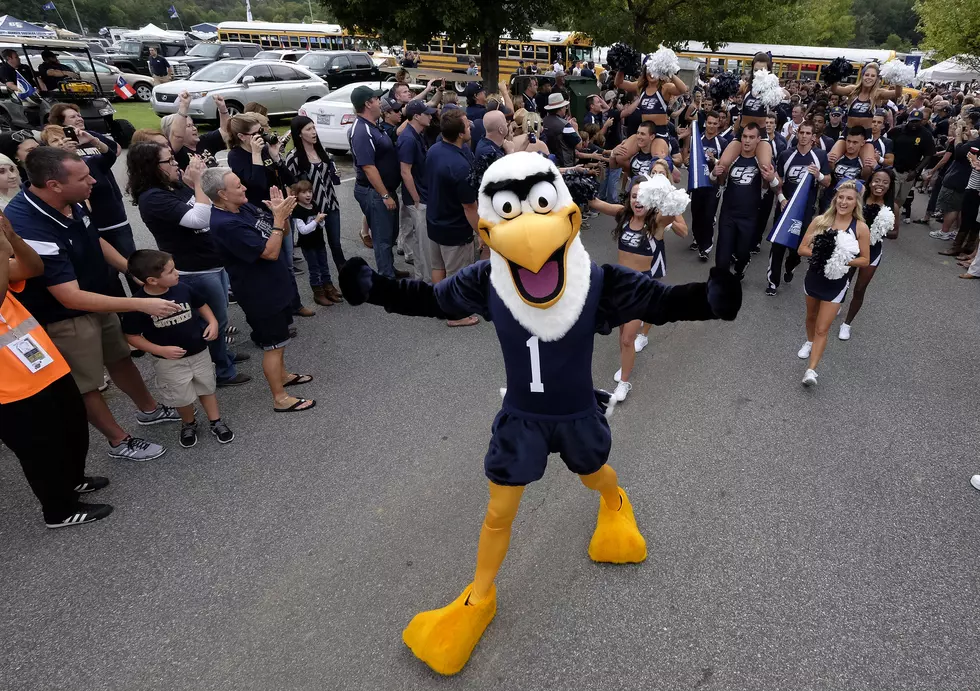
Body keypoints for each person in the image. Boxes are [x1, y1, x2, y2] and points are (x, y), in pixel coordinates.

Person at [6, 147, 182, 461]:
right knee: (86, 382)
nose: (94, 182)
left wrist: (132, 270)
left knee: (120, 359)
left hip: (99, 299)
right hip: (64, 317)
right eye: (84, 177)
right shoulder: (28, 223)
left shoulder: (71, 201)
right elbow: (68, 295)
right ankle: (119, 440)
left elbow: (94, 238)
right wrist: (138, 305)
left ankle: (150, 410)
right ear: (54, 184)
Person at [0, 213, 112, 528]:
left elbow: (33, 269)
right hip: (9, 388)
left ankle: (73, 480)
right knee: (39, 448)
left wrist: (13, 239)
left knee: (72, 428)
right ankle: (59, 510)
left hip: (44, 364)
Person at [127, 141, 249, 387]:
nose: (175, 164)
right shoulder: (153, 198)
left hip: (209, 262)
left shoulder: (171, 187)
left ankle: (222, 355)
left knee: (219, 317)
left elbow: (199, 206)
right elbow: (199, 217)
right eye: (169, 161)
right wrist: (201, 179)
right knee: (213, 320)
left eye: (173, 159)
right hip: (195, 268)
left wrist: (194, 185)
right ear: (152, 166)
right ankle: (224, 370)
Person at [202, 167, 316, 413]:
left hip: (276, 285)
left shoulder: (241, 207)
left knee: (281, 340)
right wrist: (277, 219)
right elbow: (271, 252)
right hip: (260, 294)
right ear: (222, 194)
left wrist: (281, 216)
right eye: (238, 186)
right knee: (273, 346)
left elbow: (281, 233)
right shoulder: (225, 224)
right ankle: (280, 398)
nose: (244, 188)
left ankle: (283, 375)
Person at [589, 167, 688, 401]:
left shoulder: (655, 224)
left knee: (627, 338)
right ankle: (626, 363)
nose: (637, 201)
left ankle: (624, 383)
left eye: (642, 196)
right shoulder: (623, 216)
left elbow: (676, 211)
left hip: (641, 290)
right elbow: (595, 203)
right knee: (622, 335)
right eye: (634, 196)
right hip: (618, 287)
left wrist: (664, 192)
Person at [122, 250, 235, 448]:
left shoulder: (182, 289)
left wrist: (213, 322)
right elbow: (131, 337)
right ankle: (188, 423)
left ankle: (216, 421)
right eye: (171, 271)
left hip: (199, 352)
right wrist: (159, 350)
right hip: (168, 361)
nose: (177, 273)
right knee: (181, 396)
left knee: (207, 387)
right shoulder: (140, 304)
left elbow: (201, 304)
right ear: (152, 280)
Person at [225, 114, 313, 317]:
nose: (261, 137)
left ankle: (295, 304)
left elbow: (290, 179)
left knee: (287, 264)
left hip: (279, 212)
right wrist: (256, 155)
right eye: (255, 133)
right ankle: (280, 311)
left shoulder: (264, 150)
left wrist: (275, 158)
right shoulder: (236, 156)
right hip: (259, 216)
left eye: (261, 132)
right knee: (273, 266)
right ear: (242, 136)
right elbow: (255, 184)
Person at [796, 180, 871, 386]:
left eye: (849, 199)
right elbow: (802, 248)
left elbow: (865, 259)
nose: (844, 202)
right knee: (811, 316)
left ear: (856, 203)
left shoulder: (861, 228)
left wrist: (842, 259)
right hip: (814, 278)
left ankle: (811, 371)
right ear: (835, 199)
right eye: (841, 197)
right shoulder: (820, 221)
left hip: (836, 284)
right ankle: (809, 341)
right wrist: (823, 255)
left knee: (823, 328)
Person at [423, 109, 479, 328]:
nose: (471, 127)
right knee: (458, 274)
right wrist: (481, 232)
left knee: (438, 268)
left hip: (434, 221)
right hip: (455, 228)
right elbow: (469, 207)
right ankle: (456, 315)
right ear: (459, 134)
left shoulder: (435, 150)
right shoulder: (460, 167)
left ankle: (441, 304)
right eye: (467, 125)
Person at [284, 115, 344, 303]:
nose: (313, 132)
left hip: (331, 205)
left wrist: (336, 175)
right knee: (314, 248)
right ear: (299, 133)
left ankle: (339, 283)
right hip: (310, 210)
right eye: (309, 129)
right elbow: (290, 184)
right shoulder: (294, 157)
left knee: (335, 245)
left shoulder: (321, 150)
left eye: (313, 128)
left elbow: (330, 175)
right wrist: (295, 207)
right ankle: (319, 288)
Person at [767, 121, 832, 296]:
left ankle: (791, 266)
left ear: (813, 137)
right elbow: (778, 183)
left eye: (807, 133)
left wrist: (818, 174)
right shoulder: (786, 155)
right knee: (778, 243)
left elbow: (827, 182)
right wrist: (780, 197)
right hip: (785, 207)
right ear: (797, 134)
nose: (803, 136)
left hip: (805, 210)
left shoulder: (820, 155)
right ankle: (773, 282)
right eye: (801, 132)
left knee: (797, 249)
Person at [349, 85, 404, 280]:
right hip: (374, 192)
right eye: (377, 98)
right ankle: (386, 280)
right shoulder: (361, 131)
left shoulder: (374, 124)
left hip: (384, 189)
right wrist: (385, 195)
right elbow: (368, 167)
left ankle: (389, 269)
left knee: (390, 234)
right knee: (382, 238)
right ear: (367, 103)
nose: (380, 101)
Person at [712, 123, 776, 278]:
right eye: (745, 136)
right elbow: (719, 182)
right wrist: (714, 174)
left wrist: (772, 179)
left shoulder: (761, 161)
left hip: (750, 217)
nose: (747, 141)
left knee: (742, 253)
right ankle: (720, 293)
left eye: (751, 137)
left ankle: (743, 264)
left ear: (758, 140)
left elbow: (777, 185)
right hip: (728, 214)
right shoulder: (732, 159)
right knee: (722, 259)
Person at [839, 167, 895, 339]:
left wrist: (881, 228)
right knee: (842, 281)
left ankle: (846, 324)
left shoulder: (892, 207)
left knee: (860, 288)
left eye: (885, 182)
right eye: (877, 180)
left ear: (890, 186)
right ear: (870, 182)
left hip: (872, 252)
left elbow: (895, 234)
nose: (880, 185)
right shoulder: (859, 200)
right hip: (852, 248)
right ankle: (837, 304)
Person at [612, 60, 688, 165]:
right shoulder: (641, 87)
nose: (651, 74)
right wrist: (622, 67)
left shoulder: (665, 87)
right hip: (643, 132)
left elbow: (683, 89)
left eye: (655, 70)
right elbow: (618, 83)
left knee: (658, 162)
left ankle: (668, 169)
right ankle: (635, 176)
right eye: (649, 70)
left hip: (659, 133)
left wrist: (670, 73)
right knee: (620, 157)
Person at [828, 62, 904, 168]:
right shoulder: (852, 90)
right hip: (848, 133)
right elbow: (835, 89)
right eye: (867, 75)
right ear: (862, 76)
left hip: (866, 136)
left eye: (873, 76)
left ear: (877, 79)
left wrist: (899, 79)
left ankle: (864, 184)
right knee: (831, 159)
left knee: (868, 166)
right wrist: (835, 76)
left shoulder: (877, 94)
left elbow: (897, 94)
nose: (869, 78)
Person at [397, 100, 436, 282]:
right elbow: (405, 172)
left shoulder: (417, 134)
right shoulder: (408, 139)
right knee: (424, 245)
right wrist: (416, 198)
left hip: (422, 195)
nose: (430, 116)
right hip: (418, 199)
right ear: (416, 116)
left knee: (424, 243)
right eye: (427, 113)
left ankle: (424, 279)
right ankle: (426, 282)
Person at [888, 109, 936, 237]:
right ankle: (887, 222)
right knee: (891, 197)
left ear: (921, 121)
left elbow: (928, 155)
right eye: (912, 121)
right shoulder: (897, 131)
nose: (914, 124)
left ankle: (892, 219)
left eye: (917, 122)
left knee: (901, 199)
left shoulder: (925, 135)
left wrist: (916, 171)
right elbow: (887, 143)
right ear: (908, 120)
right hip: (894, 170)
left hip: (910, 173)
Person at [289, 180, 336, 307]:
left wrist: (321, 221)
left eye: (309, 191)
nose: (308, 195)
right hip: (308, 245)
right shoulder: (297, 210)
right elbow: (303, 230)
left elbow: (320, 224)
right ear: (297, 195)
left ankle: (329, 288)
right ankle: (318, 293)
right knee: (314, 269)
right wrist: (316, 221)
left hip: (319, 242)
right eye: (304, 192)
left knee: (324, 266)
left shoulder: (314, 205)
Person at [162, 92, 231, 170]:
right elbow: (177, 137)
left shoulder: (204, 141)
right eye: (188, 126)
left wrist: (223, 109)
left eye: (193, 125)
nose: (194, 128)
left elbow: (225, 131)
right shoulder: (176, 151)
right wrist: (184, 106)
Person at [689, 110, 724, 260]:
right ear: (705, 123)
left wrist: (714, 160)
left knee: (709, 216)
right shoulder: (697, 139)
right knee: (696, 214)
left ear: (719, 124)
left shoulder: (722, 142)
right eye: (709, 123)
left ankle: (706, 247)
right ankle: (697, 238)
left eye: (714, 123)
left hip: (713, 184)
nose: (711, 126)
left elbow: (724, 164)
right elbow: (689, 159)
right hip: (698, 184)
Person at [820, 126, 873, 212]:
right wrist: (827, 162)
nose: (850, 145)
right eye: (848, 141)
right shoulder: (836, 157)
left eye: (855, 142)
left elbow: (865, 180)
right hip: (830, 200)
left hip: (850, 203)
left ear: (862, 143)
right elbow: (826, 176)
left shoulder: (862, 162)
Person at [542, 92, 581, 168]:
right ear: (560, 108)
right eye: (565, 107)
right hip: (564, 165)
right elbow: (579, 145)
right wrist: (575, 128)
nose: (565, 109)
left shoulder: (543, 121)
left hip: (548, 163)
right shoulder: (565, 125)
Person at [464, 83, 488, 151]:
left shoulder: (467, 110)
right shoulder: (483, 112)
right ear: (476, 96)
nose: (485, 93)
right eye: (482, 92)